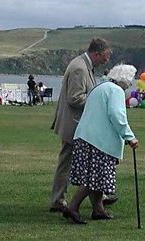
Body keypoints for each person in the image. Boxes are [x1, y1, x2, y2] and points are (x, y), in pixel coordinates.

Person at [62, 64, 139, 224]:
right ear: (124, 80)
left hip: (85, 137)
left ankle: (99, 209)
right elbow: (116, 115)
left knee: (96, 177)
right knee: (96, 178)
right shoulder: (116, 91)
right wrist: (129, 137)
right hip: (98, 141)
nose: (129, 85)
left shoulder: (100, 87)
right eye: (130, 81)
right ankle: (73, 207)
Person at [50, 37, 112, 213]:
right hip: (73, 125)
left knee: (87, 162)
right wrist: (99, 101)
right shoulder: (79, 68)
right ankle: (58, 200)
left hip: (78, 124)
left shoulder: (84, 65)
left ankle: (99, 200)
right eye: (105, 57)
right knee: (67, 164)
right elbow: (75, 98)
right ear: (96, 53)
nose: (106, 61)